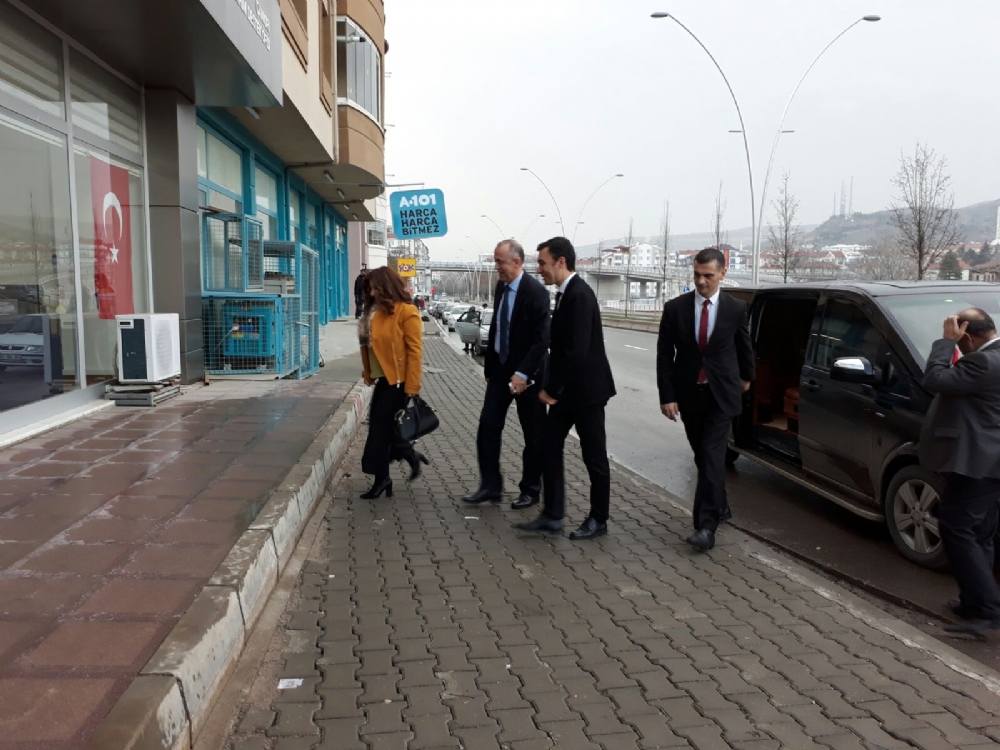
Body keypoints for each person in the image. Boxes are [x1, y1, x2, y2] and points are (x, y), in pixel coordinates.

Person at [517, 237, 615, 540]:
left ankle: (598, 519)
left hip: (586, 394)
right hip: (567, 394)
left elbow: (575, 351)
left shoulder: (579, 295)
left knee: (594, 457)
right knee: (548, 447)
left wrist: (552, 390)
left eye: (542, 263)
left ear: (561, 261)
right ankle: (552, 515)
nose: (539, 269)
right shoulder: (564, 293)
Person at [656, 247, 754, 551]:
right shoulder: (675, 309)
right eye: (697, 275)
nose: (701, 281)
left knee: (712, 455)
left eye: (708, 275)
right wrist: (667, 395)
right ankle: (719, 504)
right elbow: (664, 355)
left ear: (723, 273)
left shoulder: (735, 309)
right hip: (689, 394)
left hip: (722, 395)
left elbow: (743, 345)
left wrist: (747, 377)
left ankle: (705, 527)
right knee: (702, 455)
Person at [919, 309, 1000, 636]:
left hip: (978, 462)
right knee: (980, 532)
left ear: (966, 336)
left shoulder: (983, 362)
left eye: (957, 336)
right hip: (989, 460)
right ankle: (974, 602)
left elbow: (934, 380)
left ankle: (988, 611)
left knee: (956, 527)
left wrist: (944, 343)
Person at [463, 240, 550, 510]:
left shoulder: (536, 292)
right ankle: (490, 487)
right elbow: (498, 329)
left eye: (500, 262)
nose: (496, 267)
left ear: (517, 262)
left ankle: (531, 490)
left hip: (528, 375)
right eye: (495, 261)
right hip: (501, 372)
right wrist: (490, 369)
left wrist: (523, 373)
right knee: (488, 427)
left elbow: (541, 339)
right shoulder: (501, 287)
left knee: (533, 435)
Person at [358, 266, 428, 499]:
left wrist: (412, 387)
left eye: (376, 288)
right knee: (386, 430)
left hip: (399, 382)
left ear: (387, 286)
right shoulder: (373, 312)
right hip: (383, 380)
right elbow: (368, 346)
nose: (372, 293)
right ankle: (409, 457)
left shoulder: (406, 312)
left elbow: (415, 352)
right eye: (370, 289)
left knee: (380, 432)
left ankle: (382, 479)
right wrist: (368, 371)